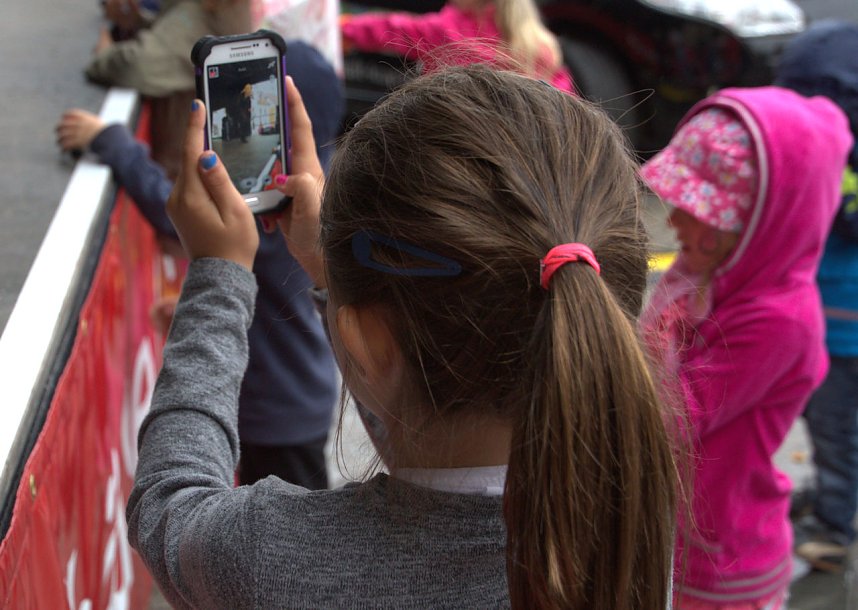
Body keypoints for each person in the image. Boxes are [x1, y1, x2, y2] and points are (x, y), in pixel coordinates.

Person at [126, 65, 678, 608]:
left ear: (367, 342)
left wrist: (219, 274)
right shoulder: (626, 525)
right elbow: (436, 429)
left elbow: (168, 504)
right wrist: (343, 288)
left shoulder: (271, 558)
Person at [57, 40, 342, 489]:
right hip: (293, 397)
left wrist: (112, 142)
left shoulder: (270, 211)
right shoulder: (313, 204)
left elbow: (171, 211)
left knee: (285, 541)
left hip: (277, 412)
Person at [639, 87, 853, 608]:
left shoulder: (780, 321)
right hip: (677, 533)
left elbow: (668, 419)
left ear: (767, 225)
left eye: (698, 210)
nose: (672, 222)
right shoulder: (703, 269)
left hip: (723, 561)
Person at [773, 20, 858, 573]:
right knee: (817, 418)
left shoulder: (839, 161)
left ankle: (833, 525)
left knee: (835, 429)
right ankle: (828, 496)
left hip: (845, 324)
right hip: (821, 317)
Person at [84, 0, 253, 177]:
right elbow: (178, 34)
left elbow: (136, 66)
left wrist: (105, 54)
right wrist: (138, 22)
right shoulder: (217, 9)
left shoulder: (203, 10)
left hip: (181, 176)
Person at [340, 0, 574, 93]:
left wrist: (345, 28)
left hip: (456, 133)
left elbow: (393, 29)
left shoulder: (449, 30)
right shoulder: (541, 43)